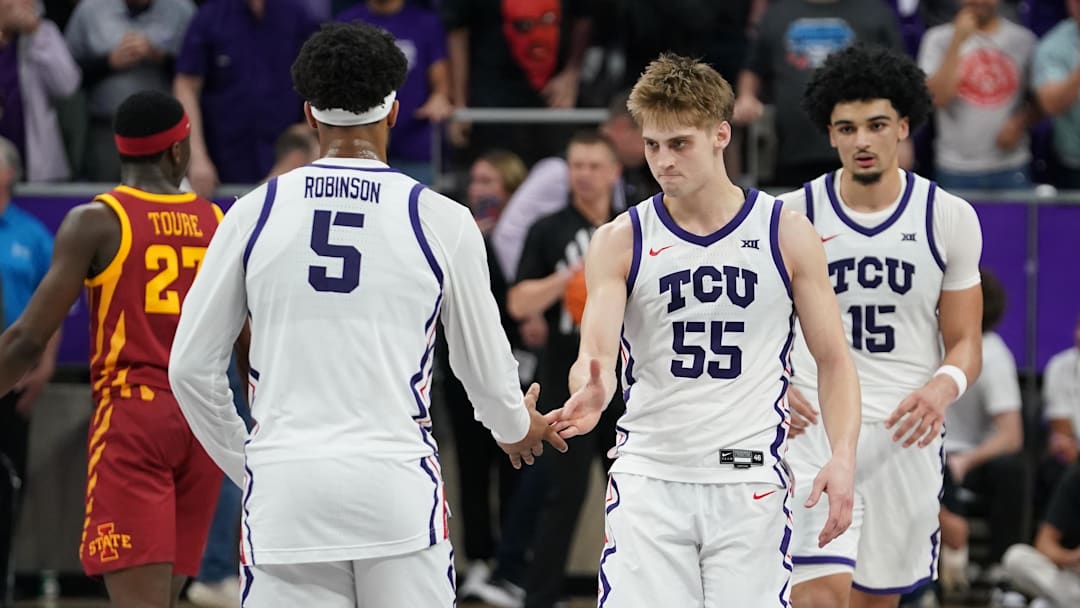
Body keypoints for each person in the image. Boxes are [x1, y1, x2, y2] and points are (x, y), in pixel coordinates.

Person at [168, 22, 566, 608]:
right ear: (395, 112)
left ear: (308, 114)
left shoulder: (250, 214)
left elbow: (189, 369)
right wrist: (515, 428)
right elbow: (482, 367)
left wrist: (249, 461)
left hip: (287, 492)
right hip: (394, 486)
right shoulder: (442, 219)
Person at [545, 53, 861, 606]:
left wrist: (842, 457)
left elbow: (834, 360)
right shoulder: (619, 239)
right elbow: (594, 351)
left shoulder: (785, 231)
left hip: (748, 479)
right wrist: (590, 389)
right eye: (652, 145)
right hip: (651, 474)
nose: (663, 161)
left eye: (679, 143)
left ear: (720, 134)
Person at [0, 90, 226, 607]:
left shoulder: (97, 220)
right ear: (177, 151)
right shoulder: (217, 222)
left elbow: (27, 339)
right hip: (206, 423)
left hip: (137, 417)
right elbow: (247, 340)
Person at [778, 45, 984, 608]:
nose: (862, 140)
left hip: (904, 432)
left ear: (903, 126)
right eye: (847, 128)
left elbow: (966, 342)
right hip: (814, 429)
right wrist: (771, 382)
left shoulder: (949, 216)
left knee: (875, 600)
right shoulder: (793, 215)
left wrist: (944, 386)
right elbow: (757, 327)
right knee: (818, 595)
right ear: (830, 135)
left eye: (876, 125)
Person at [0, 136, 60, 607]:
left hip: (15, 383)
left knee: (9, 481)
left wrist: (44, 369)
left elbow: (54, 307)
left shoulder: (31, 234)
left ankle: (7, 575)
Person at [938, 268, 1025, 589]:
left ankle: (1001, 569)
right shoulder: (923, 341)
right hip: (922, 448)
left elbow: (1011, 436)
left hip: (968, 461)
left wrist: (965, 461)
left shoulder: (994, 355)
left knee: (1009, 469)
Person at [918, 0, 1039, 190]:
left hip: (1011, 166)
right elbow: (936, 99)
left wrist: (1021, 121)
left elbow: (1040, 102)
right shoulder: (936, 39)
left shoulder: (1023, 40)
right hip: (955, 168)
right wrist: (957, 41)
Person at [1002, 463, 1080, 608]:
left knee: (1043, 604)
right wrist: (1073, 557)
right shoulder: (1075, 477)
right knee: (1016, 557)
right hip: (1072, 576)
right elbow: (1044, 543)